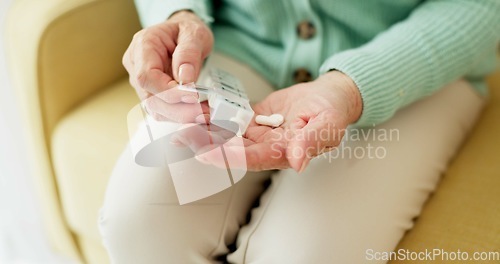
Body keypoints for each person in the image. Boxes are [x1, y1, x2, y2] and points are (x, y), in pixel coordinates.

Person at [98, 1, 500, 263]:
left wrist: (349, 89)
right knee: (137, 222)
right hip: (240, 41)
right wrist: (177, 14)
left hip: (411, 63)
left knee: (302, 255)